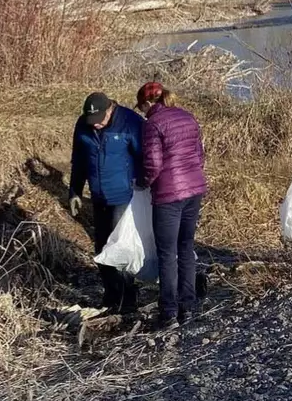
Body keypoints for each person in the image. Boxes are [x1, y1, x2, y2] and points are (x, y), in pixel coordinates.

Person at [137, 82, 208, 329]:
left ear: (147, 103)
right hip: (194, 189)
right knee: (186, 247)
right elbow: (199, 155)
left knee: (167, 254)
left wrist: (142, 182)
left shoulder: (153, 124)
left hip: (168, 195)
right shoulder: (187, 117)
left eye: (142, 107)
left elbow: (154, 164)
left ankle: (168, 311)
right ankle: (188, 306)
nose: (142, 112)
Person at [69, 91, 144, 314]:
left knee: (120, 247)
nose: (97, 125)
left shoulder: (130, 122)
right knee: (101, 248)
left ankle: (128, 296)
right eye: (92, 121)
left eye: (100, 120)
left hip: (124, 196)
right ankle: (111, 294)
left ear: (110, 109)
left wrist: (144, 187)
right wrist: (74, 190)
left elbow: (145, 157)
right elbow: (79, 160)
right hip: (98, 195)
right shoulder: (84, 125)